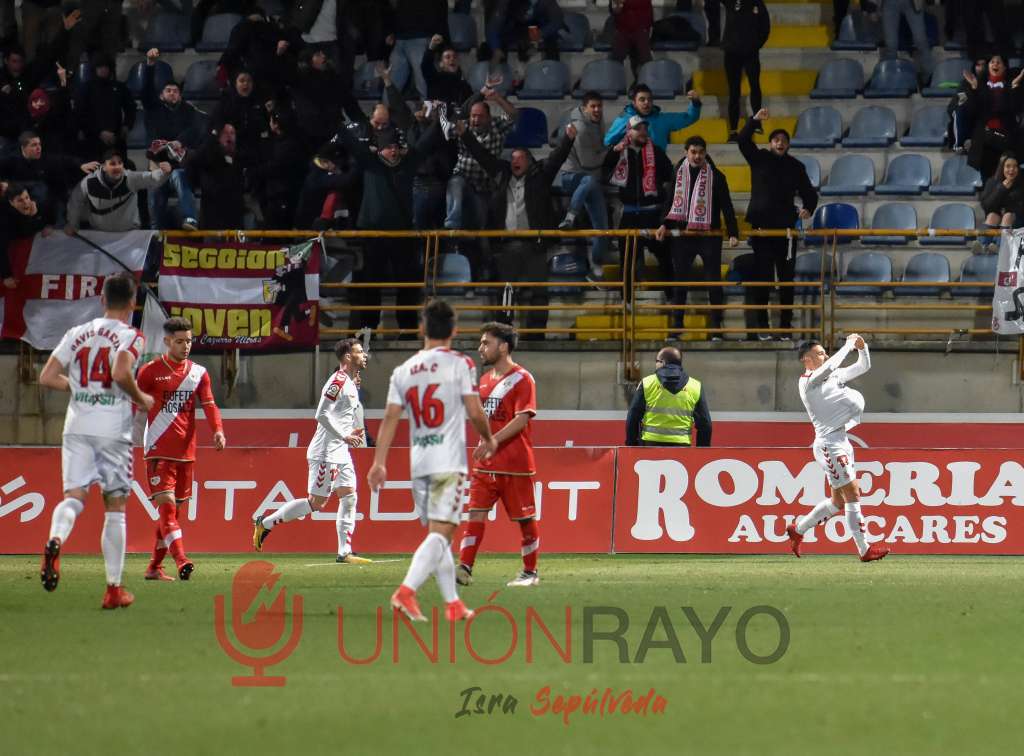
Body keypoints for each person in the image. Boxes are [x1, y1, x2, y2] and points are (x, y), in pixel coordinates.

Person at [368, 299, 498, 622]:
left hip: (419, 463)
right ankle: (406, 591)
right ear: (454, 330)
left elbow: (389, 418)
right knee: (443, 533)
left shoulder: (403, 370)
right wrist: (489, 437)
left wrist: (379, 462)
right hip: (448, 462)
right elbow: (473, 409)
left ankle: (453, 604)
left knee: (438, 535)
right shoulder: (460, 364)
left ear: (422, 328)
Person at [37, 273, 153, 609]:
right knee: (115, 506)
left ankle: (55, 539)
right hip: (112, 428)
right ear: (133, 303)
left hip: (76, 425)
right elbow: (120, 371)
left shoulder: (77, 333)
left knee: (74, 496)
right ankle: (113, 589)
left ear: (102, 300)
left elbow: (46, 377)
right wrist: (141, 397)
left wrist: (79, 388)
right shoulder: (131, 336)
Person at [253, 338, 372, 564]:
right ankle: (265, 523)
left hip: (341, 452)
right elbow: (321, 415)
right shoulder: (337, 382)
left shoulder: (350, 382)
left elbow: (342, 414)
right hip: (325, 452)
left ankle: (344, 552)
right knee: (316, 504)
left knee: (349, 496)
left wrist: (350, 433)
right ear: (348, 357)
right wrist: (344, 436)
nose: (364, 355)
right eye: (359, 352)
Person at [457, 119, 576, 335]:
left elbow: (556, 158)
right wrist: (465, 134)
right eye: (512, 158)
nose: (515, 161)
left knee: (539, 292)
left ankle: (536, 334)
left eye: (520, 158)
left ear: (529, 162)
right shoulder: (501, 174)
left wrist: (568, 138)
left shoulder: (540, 176)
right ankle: (503, 334)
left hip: (535, 245)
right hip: (506, 246)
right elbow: (481, 155)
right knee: (505, 291)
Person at [135, 317, 226, 582]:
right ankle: (182, 560)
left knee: (173, 516)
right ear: (166, 341)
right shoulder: (150, 371)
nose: (185, 346)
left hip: (187, 453)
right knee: (166, 510)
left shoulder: (199, 373)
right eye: (179, 341)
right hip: (158, 450)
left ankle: (153, 567)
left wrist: (218, 430)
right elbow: (133, 402)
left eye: (188, 341)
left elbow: (209, 405)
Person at [784, 335, 890, 562]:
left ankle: (799, 528)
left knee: (838, 502)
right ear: (806, 358)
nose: (826, 356)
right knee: (853, 493)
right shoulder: (807, 382)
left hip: (841, 440)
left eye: (825, 352)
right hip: (829, 445)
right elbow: (832, 365)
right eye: (820, 353)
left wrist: (862, 348)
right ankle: (864, 549)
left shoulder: (832, 375)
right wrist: (848, 345)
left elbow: (864, 366)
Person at [457, 323, 540, 588]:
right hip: (485, 464)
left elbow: (522, 418)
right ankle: (464, 568)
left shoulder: (523, 379)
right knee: (475, 514)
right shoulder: (484, 381)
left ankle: (530, 572)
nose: (480, 348)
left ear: (503, 346)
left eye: (486, 343)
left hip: (514, 463)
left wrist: (492, 440)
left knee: (525, 519)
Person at [739, 108, 818, 340]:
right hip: (762, 230)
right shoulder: (759, 158)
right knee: (761, 280)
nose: (780, 144)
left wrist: (808, 209)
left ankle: (785, 327)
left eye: (784, 141)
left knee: (786, 281)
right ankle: (762, 328)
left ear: (788, 144)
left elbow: (810, 194)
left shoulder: (796, 166)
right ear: (770, 142)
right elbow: (743, 140)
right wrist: (754, 121)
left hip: (786, 232)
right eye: (776, 140)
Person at [655, 135, 739, 339]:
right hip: (683, 235)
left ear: (706, 153)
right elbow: (670, 201)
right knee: (680, 281)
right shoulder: (678, 173)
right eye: (693, 152)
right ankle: (677, 325)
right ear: (686, 152)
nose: (697, 156)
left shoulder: (717, 176)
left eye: (701, 152)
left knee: (713, 281)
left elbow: (727, 205)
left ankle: (716, 327)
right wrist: (664, 223)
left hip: (709, 235)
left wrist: (733, 232)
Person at [603, 116, 675, 296]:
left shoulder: (656, 152)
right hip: (629, 215)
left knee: (666, 259)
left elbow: (670, 177)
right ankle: (626, 302)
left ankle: (672, 300)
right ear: (629, 131)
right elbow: (604, 172)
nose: (643, 131)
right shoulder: (618, 152)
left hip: (653, 214)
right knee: (626, 262)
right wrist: (614, 153)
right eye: (638, 128)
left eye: (644, 128)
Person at [140, 48, 204, 231]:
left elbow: (195, 131)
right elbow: (145, 92)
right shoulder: (154, 110)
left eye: (176, 91)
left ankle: (190, 220)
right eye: (168, 91)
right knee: (156, 189)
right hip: (157, 165)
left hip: (179, 166)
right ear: (161, 95)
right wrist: (150, 65)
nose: (172, 93)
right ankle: (154, 232)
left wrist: (179, 141)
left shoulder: (189, 111)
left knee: (179, 176)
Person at [555, 91, 610, 276]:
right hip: (571, 177)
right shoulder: (580, 126)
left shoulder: (598, 122)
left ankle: (595, 262)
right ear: (584, 107)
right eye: (593, 106)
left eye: (599, 106)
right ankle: (570, 216)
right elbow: (588, 162)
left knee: (602, 230)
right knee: (589, 179)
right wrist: (611, 150)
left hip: (591, 180)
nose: (597, 109)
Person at [65, 149, 172, 234]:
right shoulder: (89, 182)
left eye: (119, 163)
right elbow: (75, 202)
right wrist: (73, 225)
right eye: (112, 164)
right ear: (104, 167)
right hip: (99, 235)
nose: (117, 167)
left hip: (129, 234)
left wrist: (163, 172)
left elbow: (151, 178)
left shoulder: (130, 178)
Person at [625, 346, 711, 446]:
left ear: (662, 362)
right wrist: (702, 451)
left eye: (656, 361)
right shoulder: (695, 386)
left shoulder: (647, 383)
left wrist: (632, 445)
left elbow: (632, 418)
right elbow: (705, 424)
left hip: (649, 447)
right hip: (682, 448)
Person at [963, 56, 1024, 181]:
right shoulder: (979, 85)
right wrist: (974, 89)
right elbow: (972, 111)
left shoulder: (1010, 86)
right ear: (988, 66)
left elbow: (1016, 109)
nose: (995, 64)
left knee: (1007, 179)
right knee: (987, 180)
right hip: (985, 141)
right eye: (992, 62)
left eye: (999, 62)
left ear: (1004, 67)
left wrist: (1015, 88)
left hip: (1006, 140)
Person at [720, 0, 770, 140]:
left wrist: (754, 45)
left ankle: (757, 122)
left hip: (751, 53)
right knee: (734, 91)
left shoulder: (758, 4)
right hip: (731, 53)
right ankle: (733, 131)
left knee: (754, 85)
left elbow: (765, 29)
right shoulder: (732, 2)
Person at [604, 83, 701, 151]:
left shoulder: (662, 120)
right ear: (634, 103)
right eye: (642, 99)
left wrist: (695, 103)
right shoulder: (624, 120)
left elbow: (690, 118)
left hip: (657, 169)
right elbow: (607, 143)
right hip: (631, 171)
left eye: (649, 99)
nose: (646, 102)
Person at [185, 124, 246, 230]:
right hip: (212, 217)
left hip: (234, 218)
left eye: (232, 133)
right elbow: (192, 162)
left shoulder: (240, 157)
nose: (229, 136)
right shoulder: (208, 156)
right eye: (225, 133)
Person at [389, 0, 449, 99]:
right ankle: (382, 114)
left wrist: (442, 36)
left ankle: (430, 113)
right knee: (391, 85)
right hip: (401, 37)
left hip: (421, 35)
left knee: (424, 84)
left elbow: (440, 7)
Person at [879, 0, 933, 79]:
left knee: (920, 40)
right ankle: (891, 78)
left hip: (912, 3)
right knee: (890, 44)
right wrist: (871, 7)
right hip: (889, 3)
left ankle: (930, 77)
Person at [980, 152, 1024, 238]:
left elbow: (1020, 208)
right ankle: (984, 246)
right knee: (992, 216)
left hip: (1018, 220)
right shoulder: (992, 182)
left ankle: (999, 246)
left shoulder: (1022, 183)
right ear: (1002, 168)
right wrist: (1001, 189)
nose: (1011, 169)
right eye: (1008, 166)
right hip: (997, 216)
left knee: (1007, 217)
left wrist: (1006, 210)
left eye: (1015, 166)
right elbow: (986, 206)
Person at [609, 0, 653, 81]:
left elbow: (643, 3)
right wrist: (616, 7)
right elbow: (614, 9)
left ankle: (648, 84)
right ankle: (615, 84)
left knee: (644, 59)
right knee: (615, 59)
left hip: (641, 29)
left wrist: (624, 3)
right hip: (623, 29)